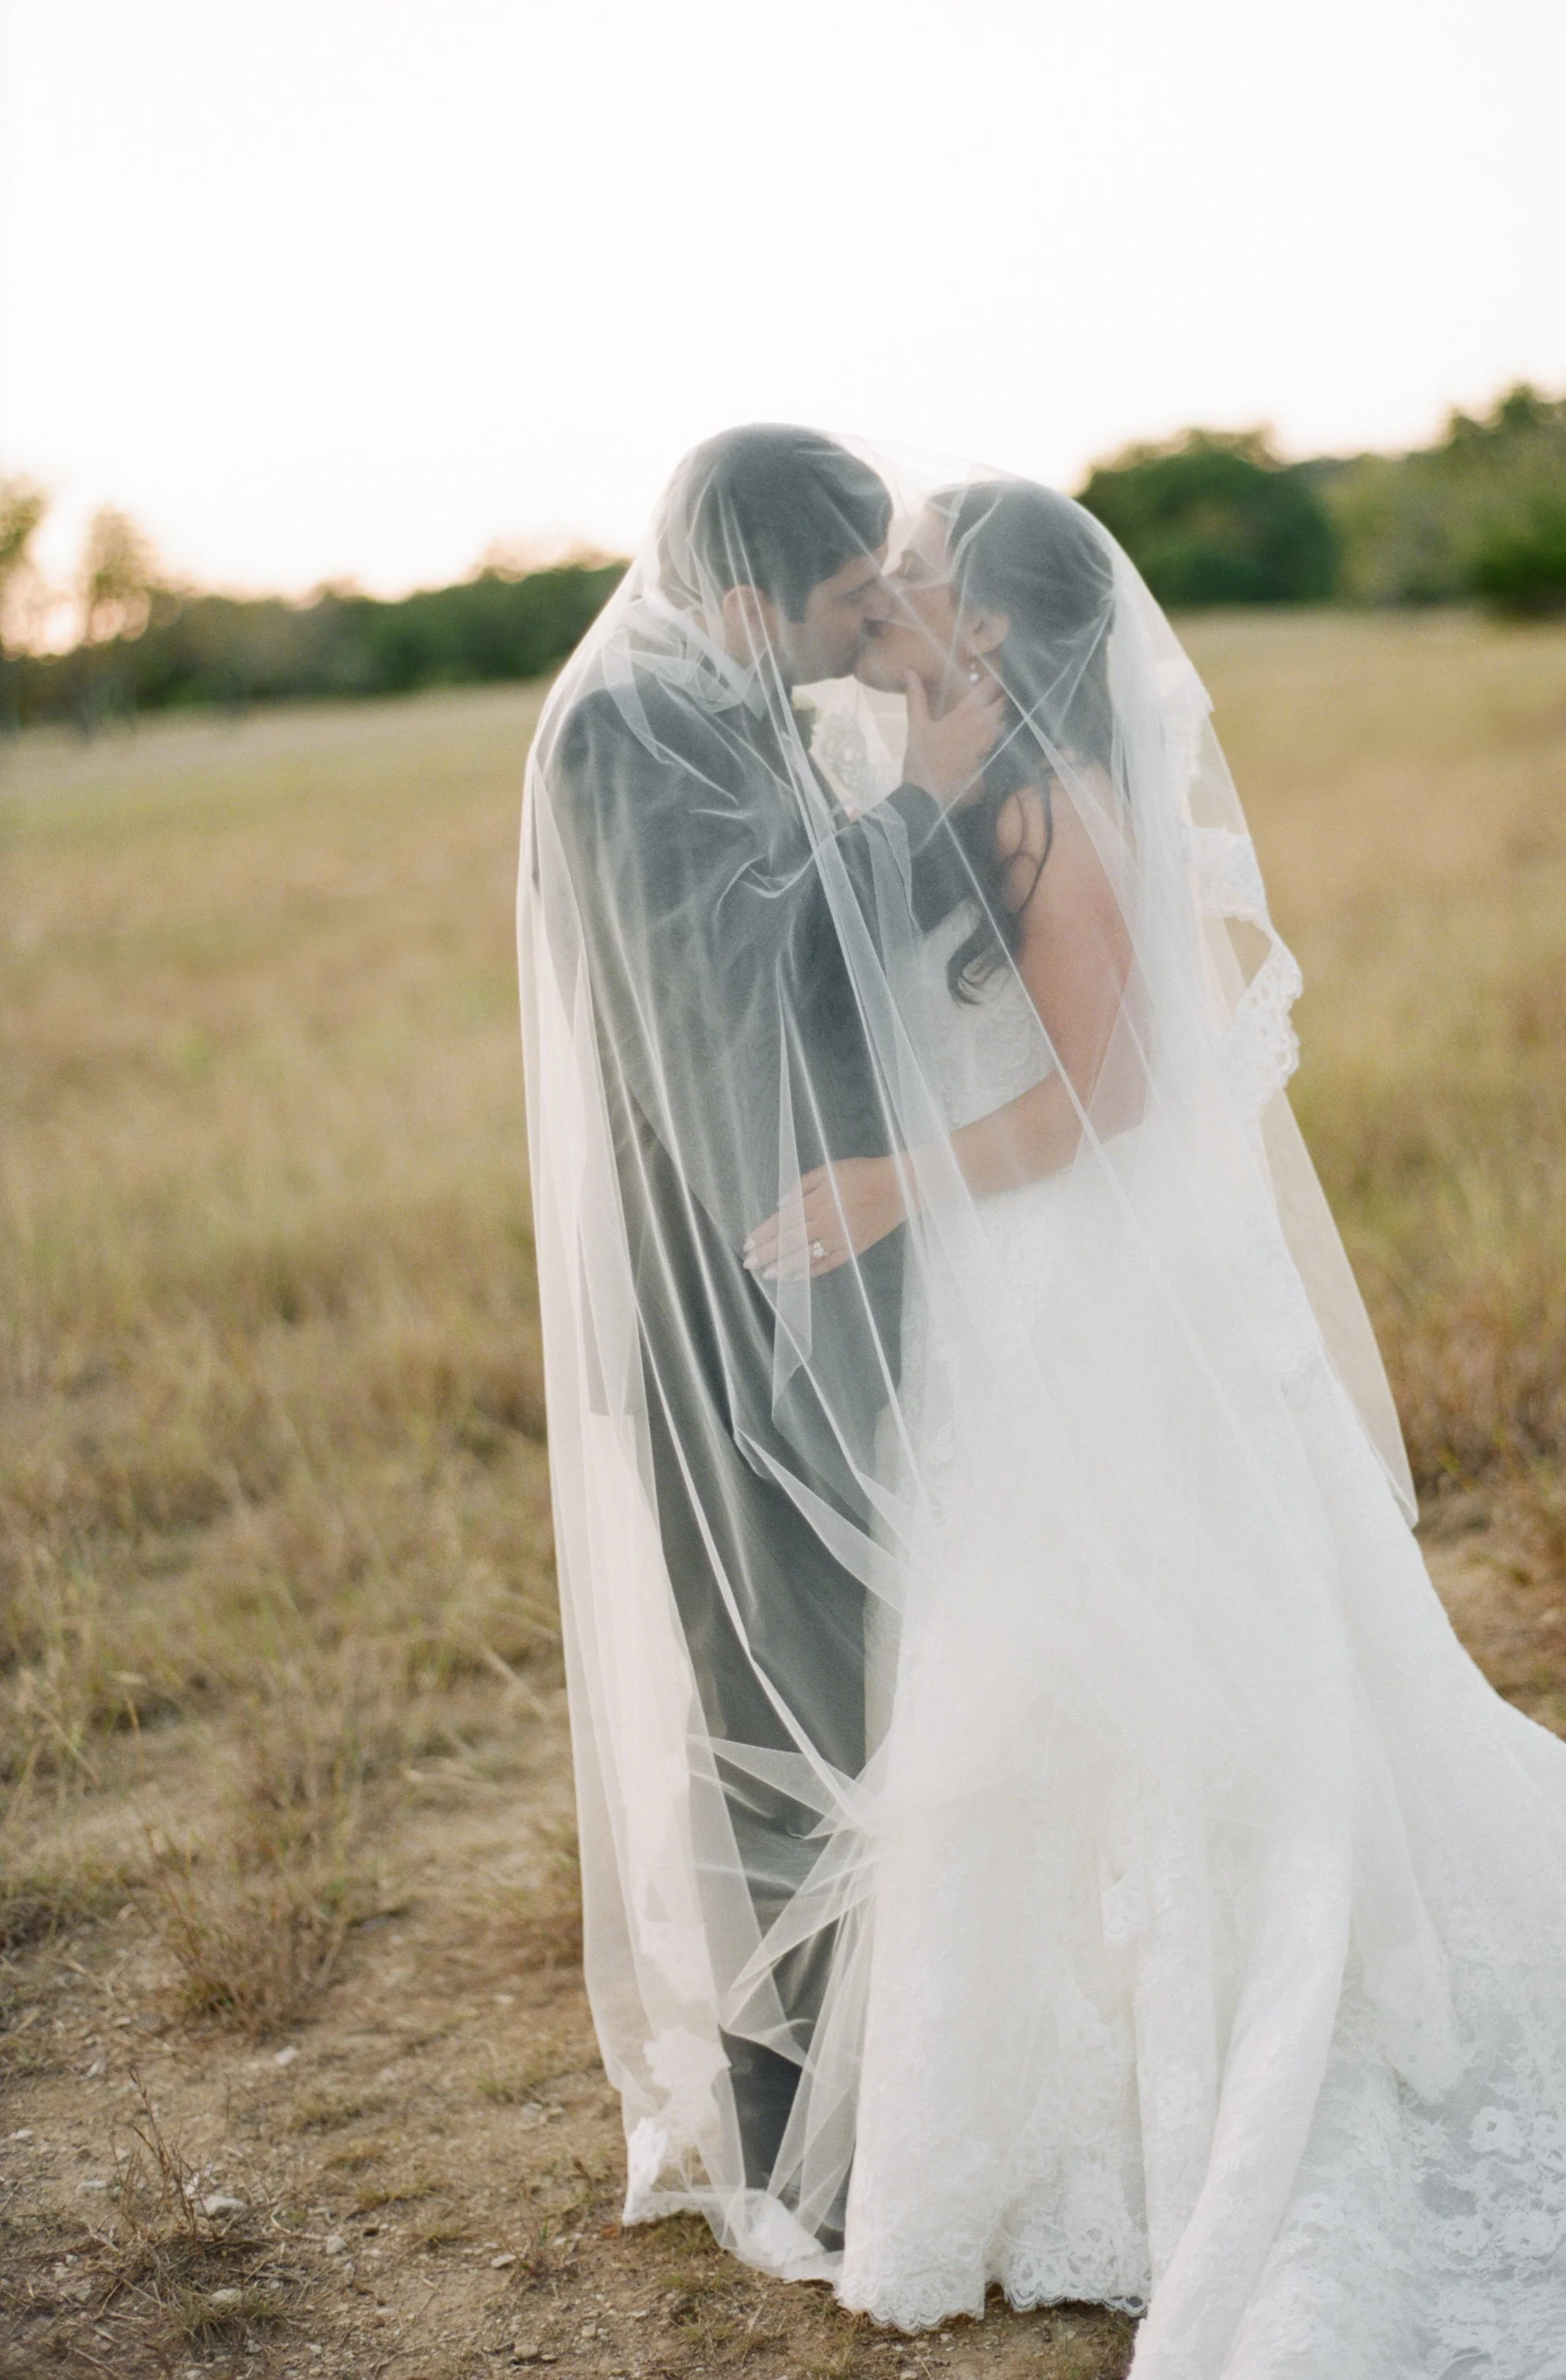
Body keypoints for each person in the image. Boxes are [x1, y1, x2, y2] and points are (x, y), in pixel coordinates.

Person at [522, 436, 1566, 2372]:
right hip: (956, 1306)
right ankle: (922, 2100)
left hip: (1044, 1297)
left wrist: (892, 1178)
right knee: (981, 1693)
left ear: (993, 625)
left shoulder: (1030, 794)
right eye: (862, 583)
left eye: (918, 578)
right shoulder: (790, 761)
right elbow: (784, 970)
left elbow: (1111, 1086)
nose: (886, 605)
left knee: (1075, 1683)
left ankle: (1085, 2080)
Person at [520, 426, 997, 2219]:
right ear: (739, 600)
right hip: (725, 1297)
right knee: (779, 1710)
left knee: (871, 1683)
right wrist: (932, 800)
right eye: (844, 601)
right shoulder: (616, 737)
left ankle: (909, 2066)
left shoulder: (743, 707)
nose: (867, 623)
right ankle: (804, 2132)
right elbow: (757, 999)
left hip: (817, 1258)